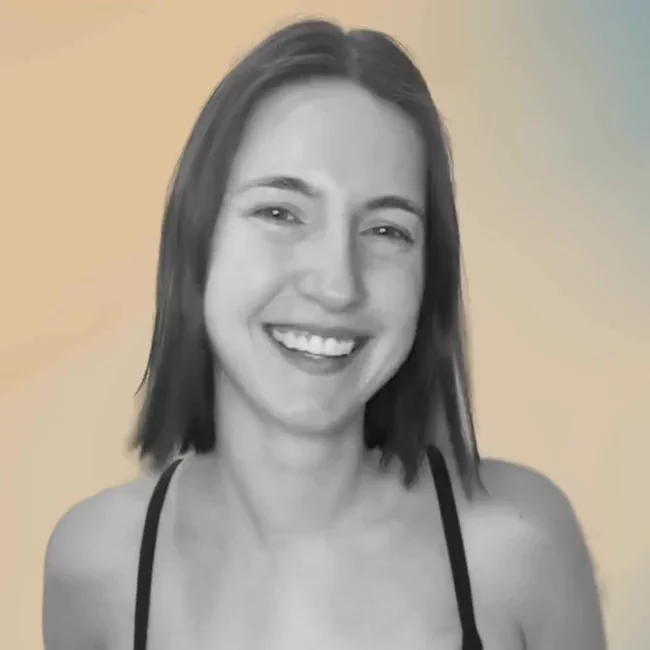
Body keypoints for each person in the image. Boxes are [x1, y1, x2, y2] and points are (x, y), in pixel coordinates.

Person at [42, 19, 606, 650]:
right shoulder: (95, 566)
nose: (338, 285)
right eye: (280, 212)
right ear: (197, 240)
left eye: (387, 230)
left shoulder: (520, 547)